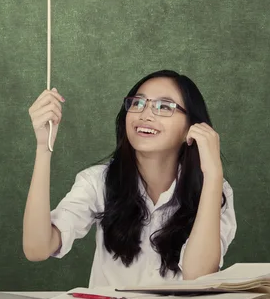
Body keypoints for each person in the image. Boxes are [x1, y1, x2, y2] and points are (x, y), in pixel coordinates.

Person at [23, 69, 236, 287]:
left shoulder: (215, 189)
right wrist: (43, 147)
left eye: (164, 107)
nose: (145, 114)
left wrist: (213, 174)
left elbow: (199, 276)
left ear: (190, 129)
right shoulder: (98, 182)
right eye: (137, 103)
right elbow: (37, 249)